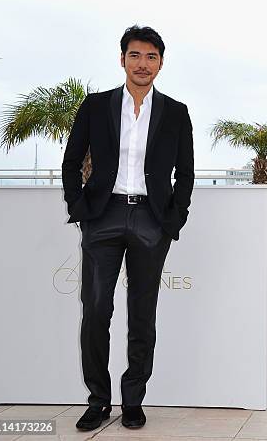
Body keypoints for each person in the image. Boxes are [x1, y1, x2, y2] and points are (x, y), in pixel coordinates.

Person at [61, 25, 194, 431]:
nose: (143, 64)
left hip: (151, 222)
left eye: (151, 57)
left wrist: (174, 218)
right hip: (103, 217)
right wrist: (81, 208)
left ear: (160, 64)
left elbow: (185, 174)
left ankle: (133, 400)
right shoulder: (96, 106)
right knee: (96, 310)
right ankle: (98, 399)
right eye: (135, 55)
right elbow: (71, 163)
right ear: (122, 59)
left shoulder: (175, 112)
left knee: (142, 315)